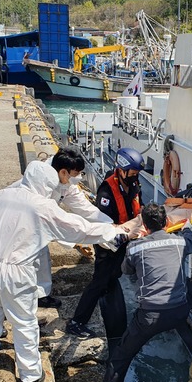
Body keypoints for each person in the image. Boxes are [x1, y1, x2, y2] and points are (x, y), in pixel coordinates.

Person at [0, 161, 126, 382]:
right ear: (45, 184)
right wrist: (113, 231)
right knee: (24, 323)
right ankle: (30, 376)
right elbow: (77, 227)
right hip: (14, 270)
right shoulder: (40, 205)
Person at [84, 203, 192, 382]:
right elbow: (190, 240)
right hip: (180, 311)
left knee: (122, 355)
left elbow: (126, 271)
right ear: (166, 223)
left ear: (144, 224)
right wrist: (189, 224)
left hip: (151, 317)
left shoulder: (136, 247)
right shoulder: (180, 242)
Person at [15, 149, 114, 309]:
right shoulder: (40, 183)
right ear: (63, 172)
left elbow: (85, 208)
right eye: (76, 174)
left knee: (42, 256)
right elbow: (53, 222)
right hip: (21, 224)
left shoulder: (66, 183)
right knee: (21, 264)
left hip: (38, 226)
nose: (79, 178)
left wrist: (111, 224)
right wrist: (79, 239)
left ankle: (41, 295)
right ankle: (16, 303)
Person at [67, 147, 145, 342]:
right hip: (108, 242)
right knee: (99, 281)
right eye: (133, 173)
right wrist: (121, 232)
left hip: (125, 238)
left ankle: (111, 284)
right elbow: (102, 221)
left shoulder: (134, 183)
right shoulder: (107, 190)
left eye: (136, 174)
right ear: (122, 170)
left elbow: (138, 208)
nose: (135, 177)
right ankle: (77, 321)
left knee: (114, 273)